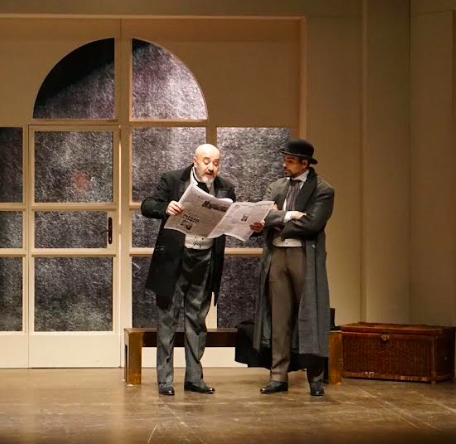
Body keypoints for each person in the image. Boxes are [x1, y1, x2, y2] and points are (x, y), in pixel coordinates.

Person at [141, 144, 236, 396]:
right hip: (176, 258)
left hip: (205, 258)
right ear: (195, 161)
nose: (211, 167)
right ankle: (165, 380)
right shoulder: (173, 180)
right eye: (206, 161)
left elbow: (231, 219)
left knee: (197, 320)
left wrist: (249, 226)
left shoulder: (225, 188)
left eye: (216, 163)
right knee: (168, 319)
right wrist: (165, 208)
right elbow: (147, 205)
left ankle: (194, 378)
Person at [249, 138, 334, 397]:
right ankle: (278, 376)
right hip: (277, 255)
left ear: (304, 163)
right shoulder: (277, 186)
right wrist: (289, 215)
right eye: (285, 159)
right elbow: (262, 215)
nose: (284, 164)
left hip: (303, 256)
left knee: (311, 317)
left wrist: (278, 221)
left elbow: (313, 224)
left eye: (290, 160)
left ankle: (315, 379)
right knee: (279, 318)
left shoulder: (323, 189)